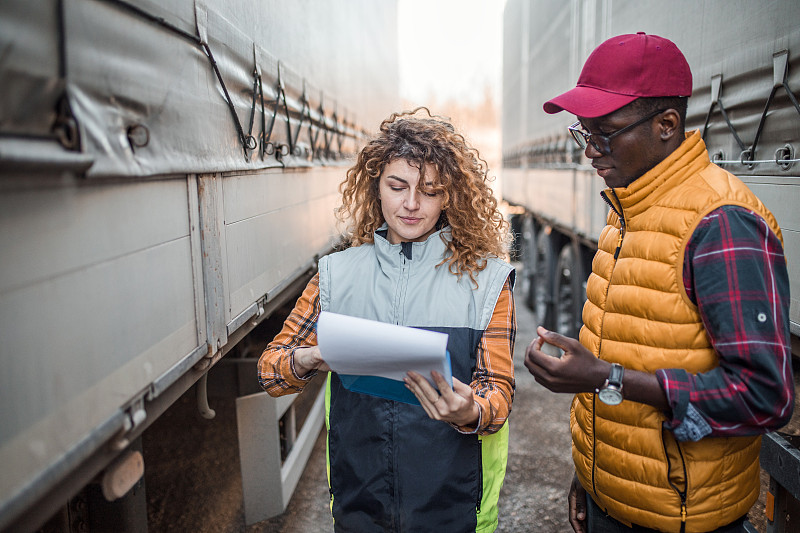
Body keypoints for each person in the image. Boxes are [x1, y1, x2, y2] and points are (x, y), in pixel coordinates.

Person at [524, 33, 794, 533]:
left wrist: (609, 378)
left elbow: (765, 395)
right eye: (582, 133)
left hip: (680, 520)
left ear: (667, 125)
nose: (589, 152)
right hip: (613, 503)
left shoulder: (722, 224)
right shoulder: (628, 205)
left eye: (603, 133)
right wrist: (590, 476)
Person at [258, 108, 516, 532]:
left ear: (449, 196)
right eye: (397, 187)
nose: (411, 204)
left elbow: (499, 396)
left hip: (453, 511)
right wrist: (306, 359)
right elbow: (271, 372)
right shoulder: (335, 276)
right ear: (375, 187)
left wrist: (469, 409)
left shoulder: (486, 282)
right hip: (360, 509)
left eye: (430, 191)